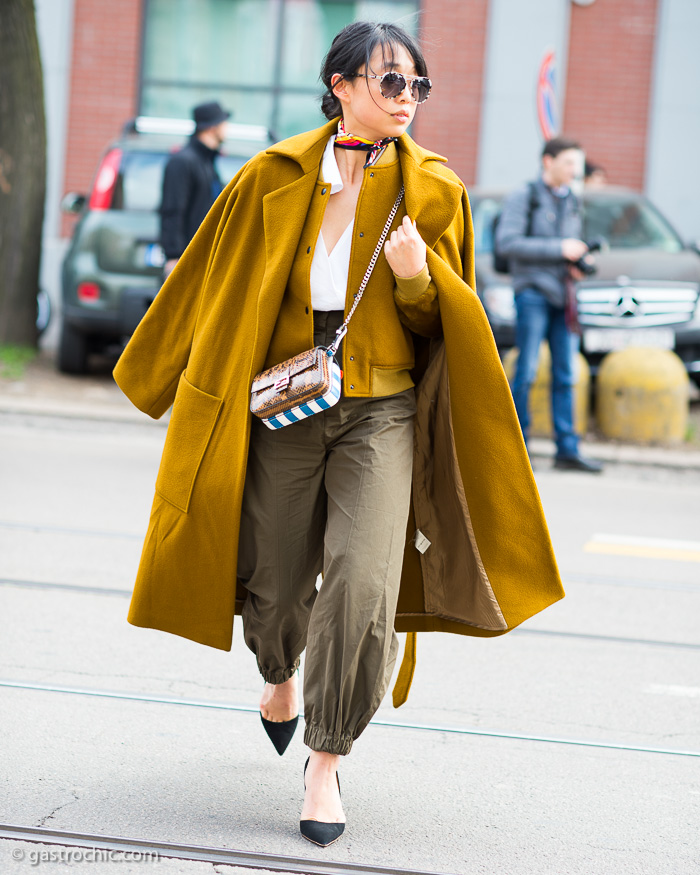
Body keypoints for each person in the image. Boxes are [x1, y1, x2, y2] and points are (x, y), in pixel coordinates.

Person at [113, 22, 564, 847]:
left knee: (363, 586)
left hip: (381, 411)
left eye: (418, 86)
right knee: (276, 582)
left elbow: (446, 327)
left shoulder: (434, 190)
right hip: (285, 403)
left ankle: (325, 758)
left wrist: (418, 278)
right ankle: (278, 674)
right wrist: (153, 372)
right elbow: (212, 277)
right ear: (342, 84)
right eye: (392, 83)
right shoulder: (271, 177)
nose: (408, 99)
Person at [496, 137, 603, 473]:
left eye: (578, 164)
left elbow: (570, 248)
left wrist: (576, 262)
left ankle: (567, 450)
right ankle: (518, 447)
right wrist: (560, 249)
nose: (576, 171)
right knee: (525, 370)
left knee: (566, 374)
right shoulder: (523, 196)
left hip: (564, 295)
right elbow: (508, 243)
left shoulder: (572, 199)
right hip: (532, 294)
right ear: (548, 162)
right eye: (570, 163)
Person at [159, 100, 230, 278]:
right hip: (186, 260)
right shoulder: (183, 162)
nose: (227, 127)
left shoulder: (207, 162)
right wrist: (174, 255)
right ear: (212, 127)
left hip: (206, 257)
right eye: (223, 123)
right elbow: (172, 209)